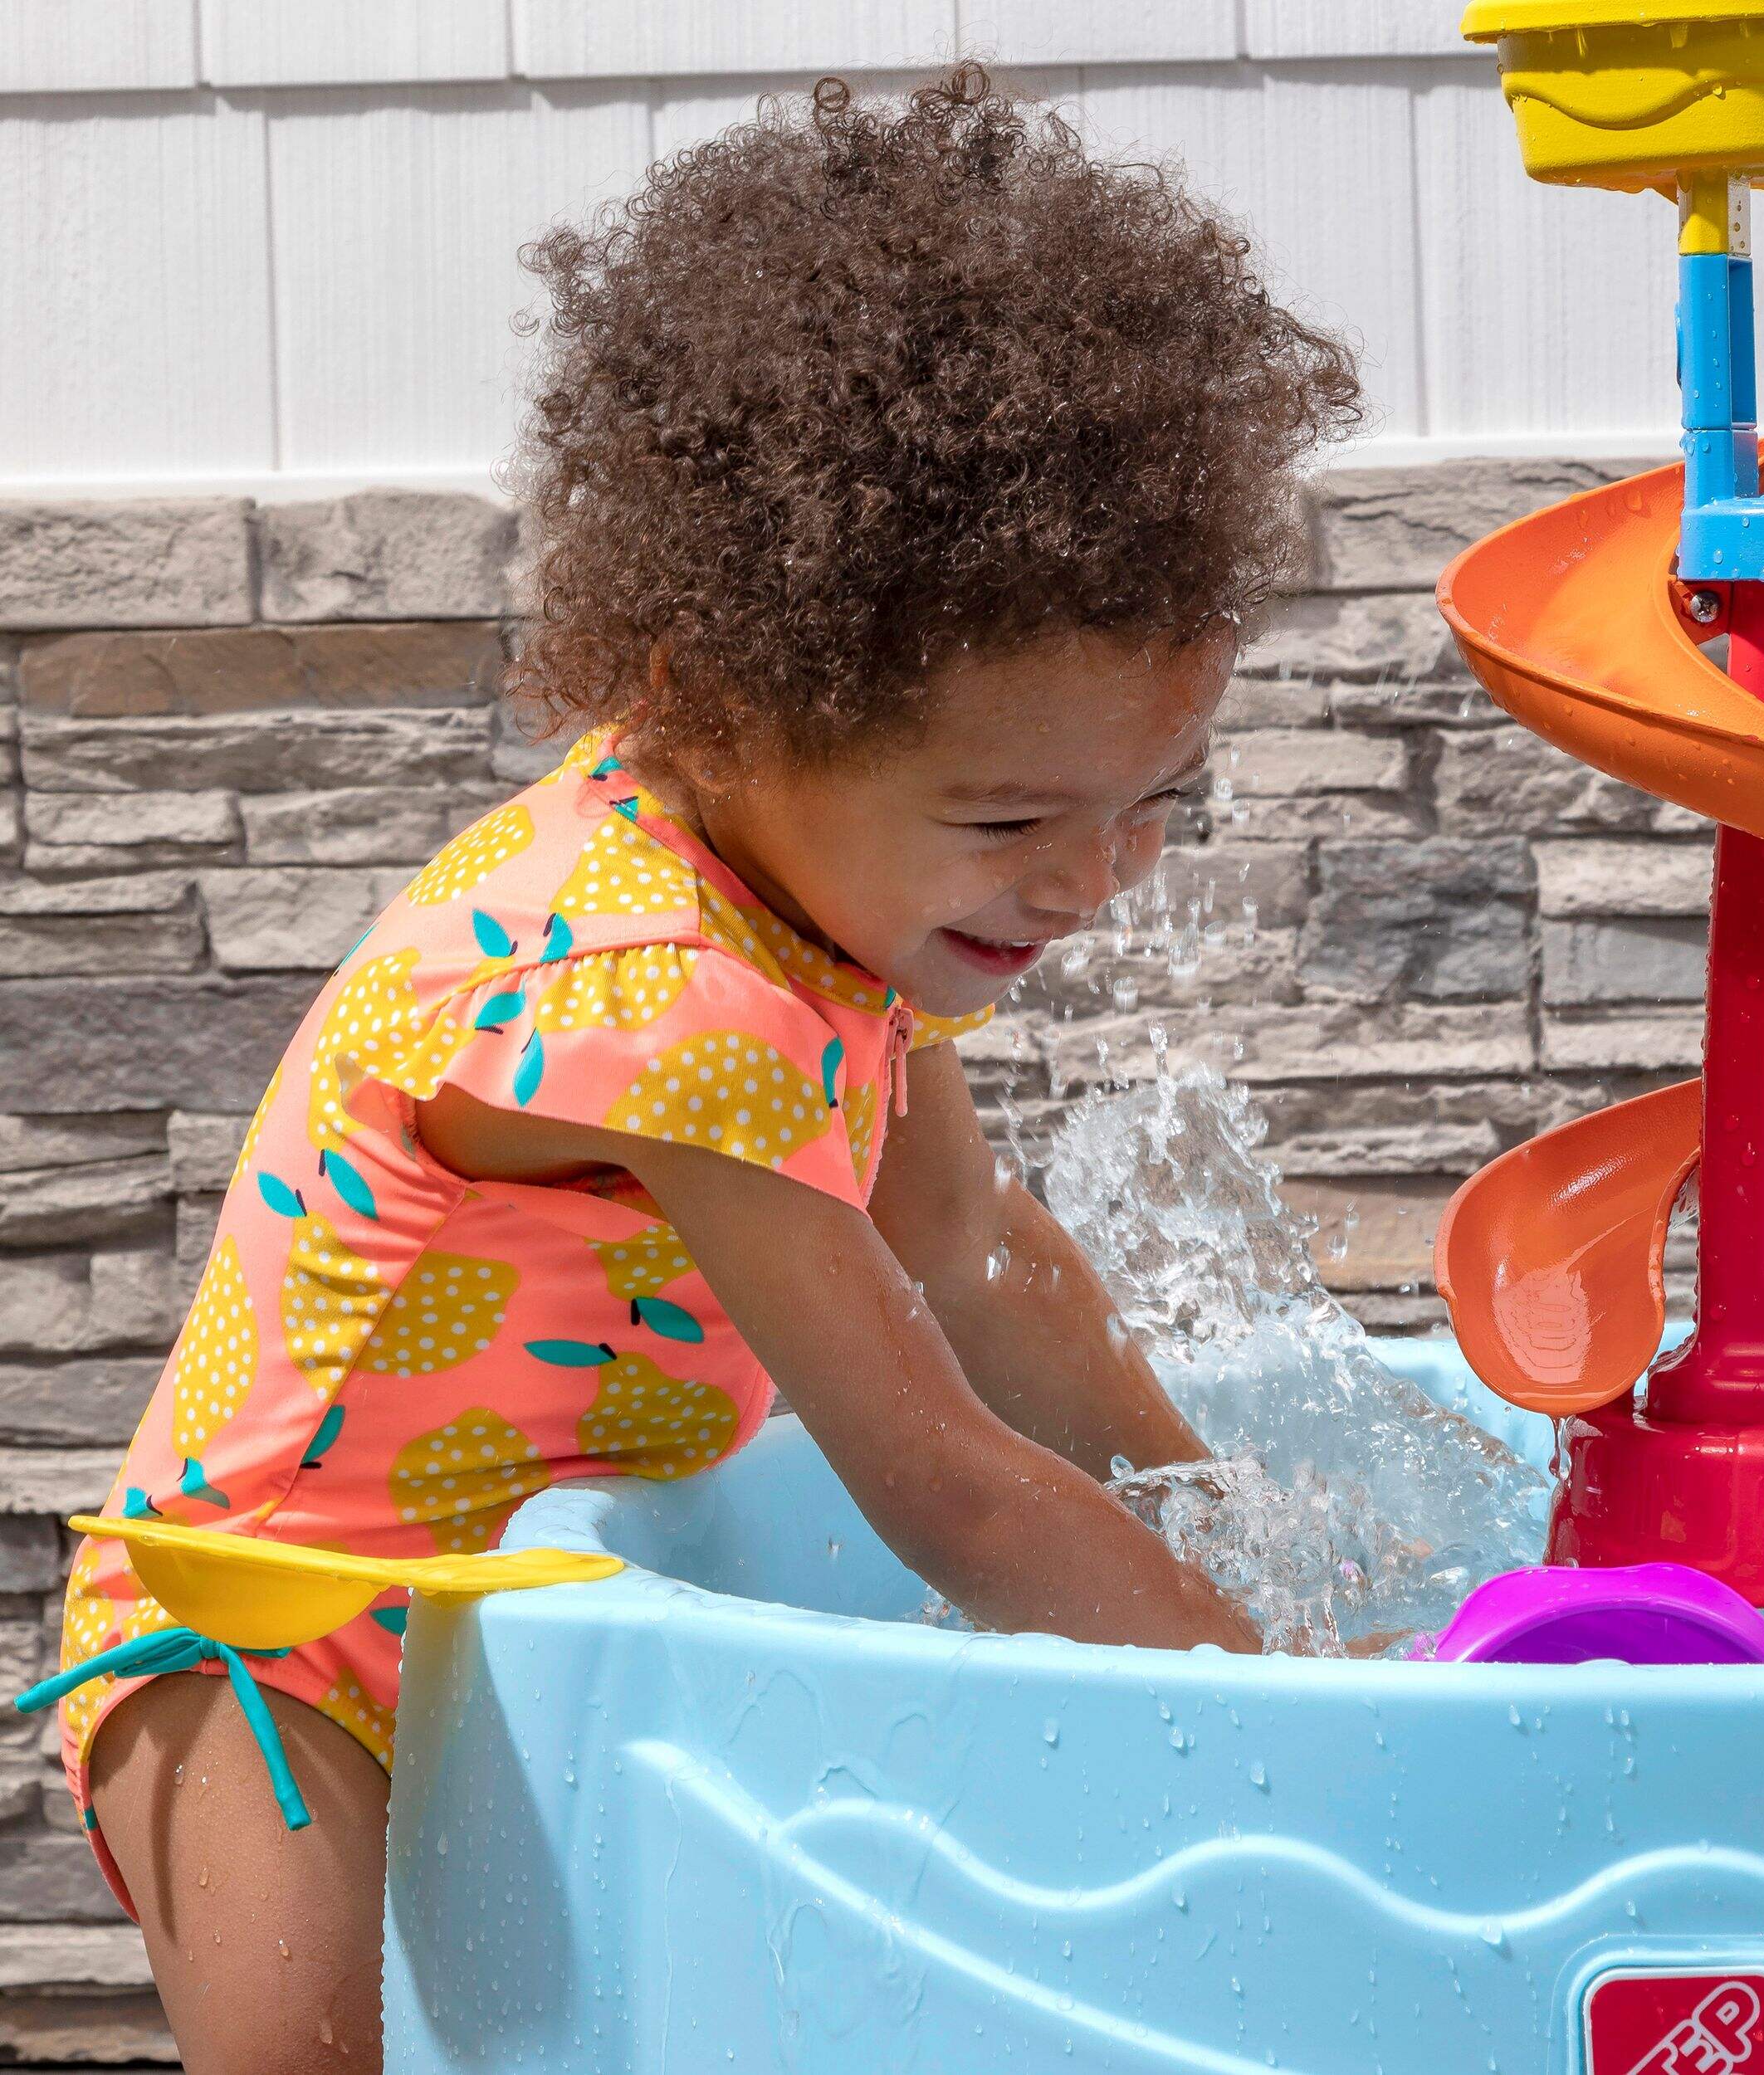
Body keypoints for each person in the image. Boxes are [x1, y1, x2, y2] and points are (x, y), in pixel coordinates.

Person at [43, 66, 1361, 2073]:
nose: (1092, 878)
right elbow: (946, 1489)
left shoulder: (829, 905)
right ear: (725, 699)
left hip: (546, 1627)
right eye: (1011, 818)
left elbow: (979, 1258)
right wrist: (1311, 1716)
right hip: (267, 1637)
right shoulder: (660, 988)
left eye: (1153, 800)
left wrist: (1225, 1524)